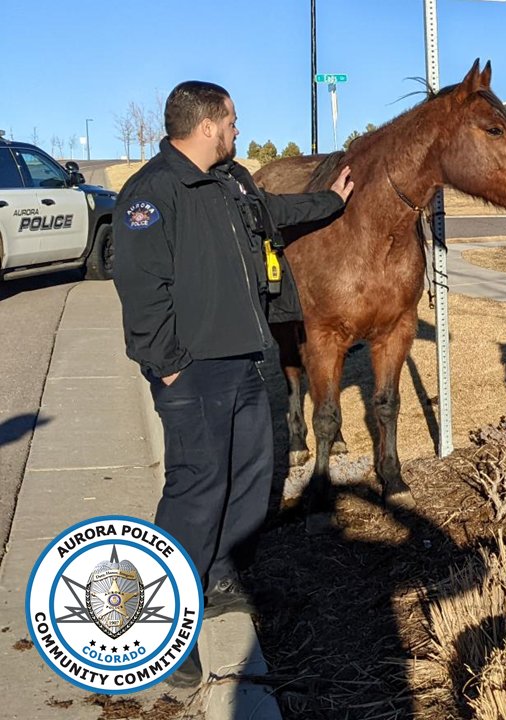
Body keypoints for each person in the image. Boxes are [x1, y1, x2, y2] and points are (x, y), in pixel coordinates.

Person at [112, 80, 354, 688]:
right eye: (232, 121)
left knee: (249, 481)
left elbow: (276, 215)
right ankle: (159, 632)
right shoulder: (153, 194)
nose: (237, 131)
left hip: (246, 364)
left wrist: (329, 200)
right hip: (192, 372)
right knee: (195, 494)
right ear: (205, 126)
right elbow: (141, 291)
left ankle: (218, 574)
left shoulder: (233, 182)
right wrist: (167, 363)